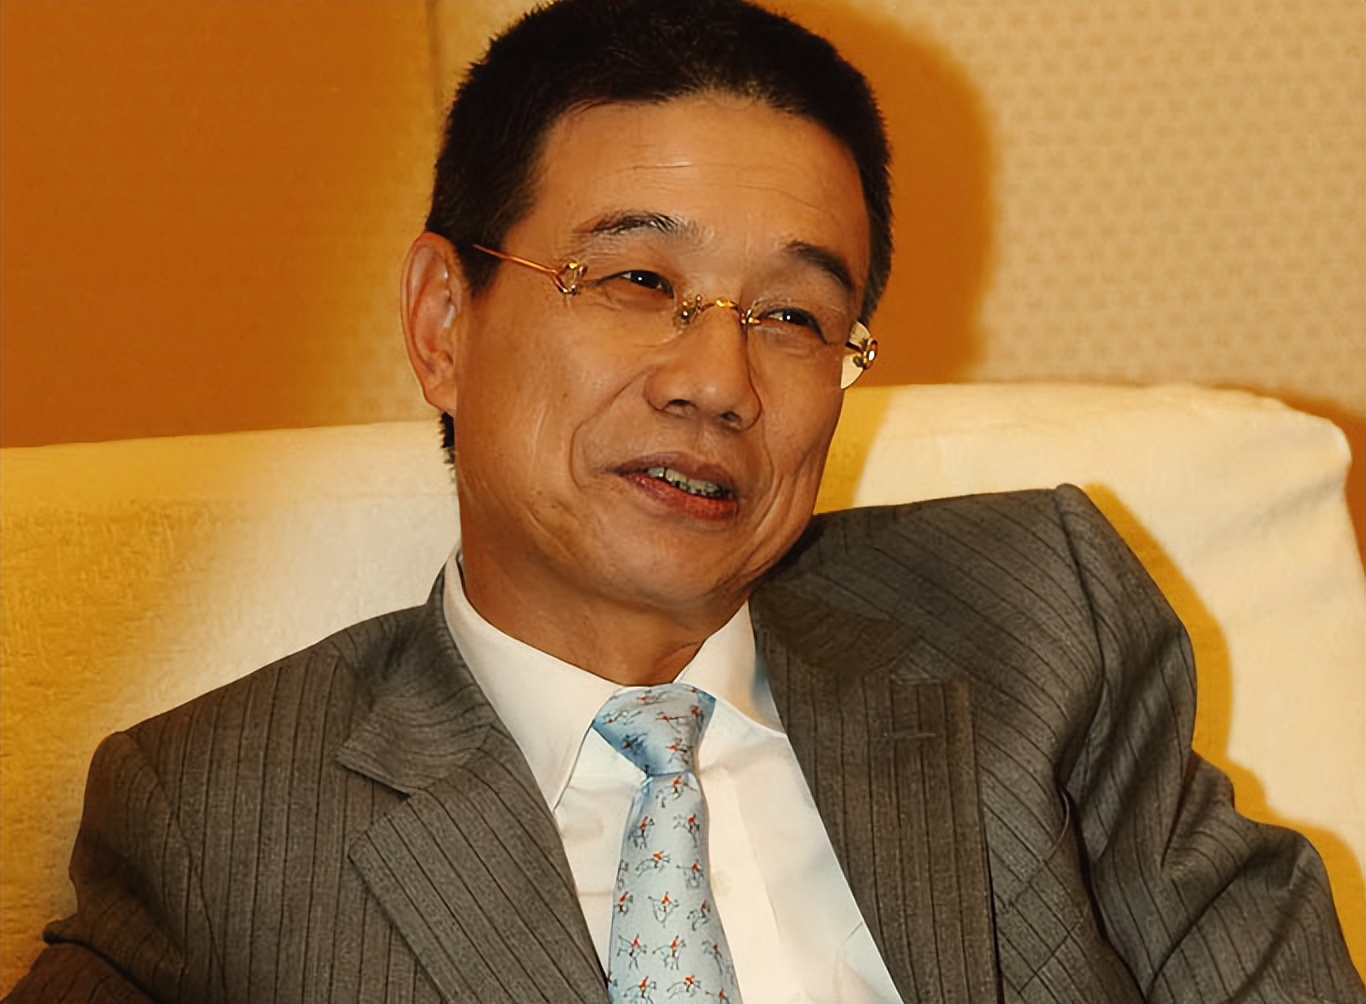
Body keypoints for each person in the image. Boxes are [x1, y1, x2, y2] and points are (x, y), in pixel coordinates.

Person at [7, 1, 1361, 1001]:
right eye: (639, 283)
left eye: (793, 315)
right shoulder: (219, 817)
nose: (716, 382)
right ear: (441, 322)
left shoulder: (1037, 630)